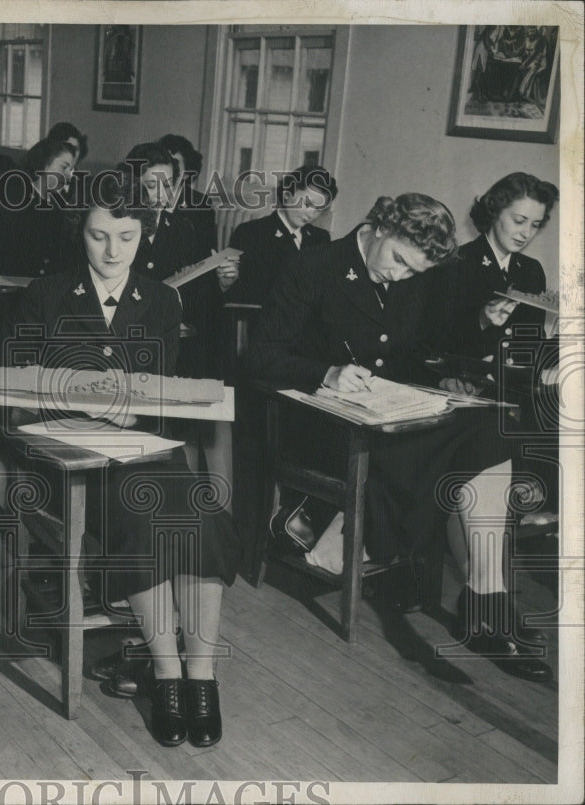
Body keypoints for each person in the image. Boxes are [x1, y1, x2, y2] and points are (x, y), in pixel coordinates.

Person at [245, 192, 552, 683]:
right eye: (398, 262)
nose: (400, 277)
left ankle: (486, 604)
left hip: (385, 414)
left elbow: (416, 349)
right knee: (462, 448)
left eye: (414, 272)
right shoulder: (314, 265)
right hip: (320, 420)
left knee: (489, 430)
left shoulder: (410, 277)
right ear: (379, 226)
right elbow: (259, 356)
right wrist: (326, 371)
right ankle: (357, 544)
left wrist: (470, 338)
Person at [0, 172, 242, 747]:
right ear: (78, 231)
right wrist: (69, 403)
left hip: (143, 454)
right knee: (145, 517)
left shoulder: (160, 299)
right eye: (99, 235)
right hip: (68, 464)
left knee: (199, 515)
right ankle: (164, 668)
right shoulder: (45, 295)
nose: (112, 252)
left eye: (126, 238)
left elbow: (166, 396)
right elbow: (5, 391)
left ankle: (197, 677)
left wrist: (139, 414)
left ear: (143, 235)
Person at [445, 172, 558, 366]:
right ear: (494, 210)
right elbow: (434, 342)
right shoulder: (455, 263)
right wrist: (480, 320)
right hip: (466, 384)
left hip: (515, 388)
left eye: (536, 225)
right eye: (519, 221)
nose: (526, 233)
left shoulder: (532, 270)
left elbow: (531, 348)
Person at [226, 165, 337, 306]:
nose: (311, 214)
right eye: (307, 203)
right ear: (287, 195)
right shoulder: (251, 232)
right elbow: (243, 293)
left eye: (319, 209)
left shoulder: (320, 238)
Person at [0, 137, 76, 278]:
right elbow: (4, 256)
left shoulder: (57, 204)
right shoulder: (15, 201)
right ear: (44, 164)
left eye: (70, 169)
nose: (69, 176)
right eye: (64, 167)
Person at [157, 134, 217, 257]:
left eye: (175, 163)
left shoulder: (201, 204)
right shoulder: (143, 197)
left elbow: (205, 254)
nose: (169, 168)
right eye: (164, 161)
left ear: (187, 173)